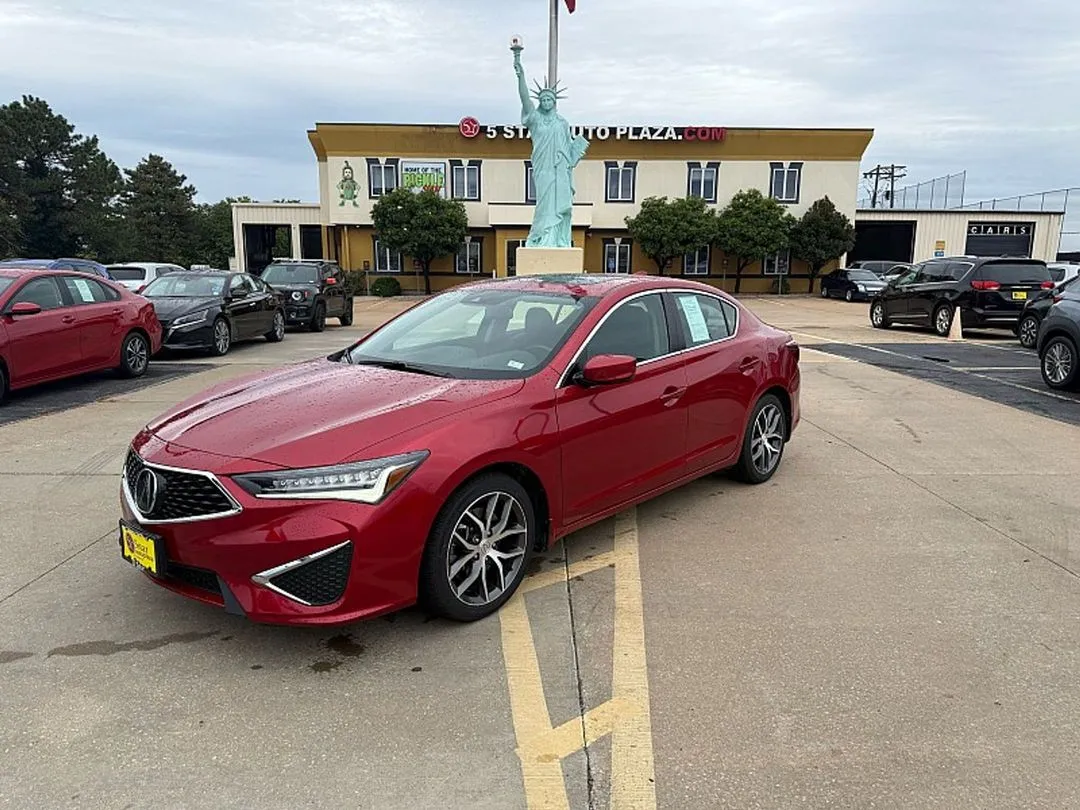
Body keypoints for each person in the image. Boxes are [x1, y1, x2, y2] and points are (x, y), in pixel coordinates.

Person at [514, 58, 589, 248]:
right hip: (542, 168)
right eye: (543, 99)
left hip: (560, 169)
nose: (546, 102)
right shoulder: (535, 118)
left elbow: (568, 147)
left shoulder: (562, 123)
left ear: (554, 102)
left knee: (559, 205)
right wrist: (520, 74)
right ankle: (540, 237)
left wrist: (577, 149)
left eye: (550, 99)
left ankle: (558, 239)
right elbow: (524, 97)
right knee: (543, 205)